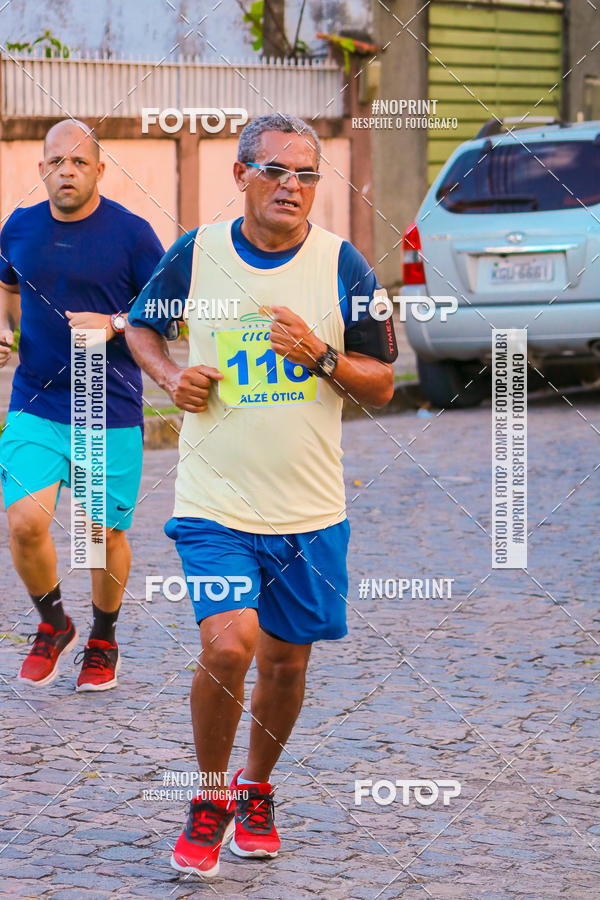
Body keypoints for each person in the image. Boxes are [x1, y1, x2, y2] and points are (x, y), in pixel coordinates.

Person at [126, 113, 397, 878]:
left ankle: (257, 790)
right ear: (240, 175)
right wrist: (172, 377)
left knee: (284, 665)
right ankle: (209, 797)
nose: (293, 186)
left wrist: (320, 354)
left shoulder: (344, 267)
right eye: (277, 170)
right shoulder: (198, 254)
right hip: (215, 504)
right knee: (229, 645)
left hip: (310, 513)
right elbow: (141, 329)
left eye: (307, 174)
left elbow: (383, 379)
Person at [0, 119, 164, 691]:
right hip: (35, 401)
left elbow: (170, 312)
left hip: (106, 404)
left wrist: (116, 322)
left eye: (77, 162)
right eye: (54, 162)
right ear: (41, 168)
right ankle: (53, 624)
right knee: (24, 523)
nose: (65, 171)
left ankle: (102, 637)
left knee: (101, 536)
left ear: (99, 169)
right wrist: (5, 328)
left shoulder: (133, 235)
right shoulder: (18, 228)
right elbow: (8, 285)